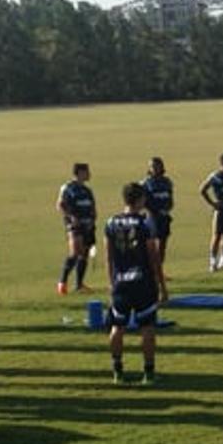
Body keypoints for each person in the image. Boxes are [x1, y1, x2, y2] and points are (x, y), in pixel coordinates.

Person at [106, 182, 168, 384]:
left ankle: (117, 370)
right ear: (140, 199)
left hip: (120, 283)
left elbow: (109, 257)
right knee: (147, 327)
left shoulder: (111, 223)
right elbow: (153, 257)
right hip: (143, 282)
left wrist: (111, 282)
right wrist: (162, 285)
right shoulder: (145, 223)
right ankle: (148, 373)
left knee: (117, 327)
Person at [57, 162, 97, 295]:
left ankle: (79, 284)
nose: (89, 174)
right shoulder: (68, 188)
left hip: (87, 225)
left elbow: (92, 207)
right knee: (75, 253)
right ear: (79, 173)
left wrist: (93, 218)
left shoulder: (87, 190)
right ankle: (62, 282)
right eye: (86, 172)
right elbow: (60, 205)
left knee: (84, 254)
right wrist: (72, 217)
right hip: (75, 226)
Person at [200, 153, 223, 271]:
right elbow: (202, 189)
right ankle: (212, 262)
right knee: (217, 235)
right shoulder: (216, 176)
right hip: (221, 210)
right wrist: (213, 203)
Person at [142, 156, 176, 262]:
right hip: (152, 217)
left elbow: (170, 197)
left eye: (158, 166)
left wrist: (168, 207)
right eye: (153, 166)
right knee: (151, 245)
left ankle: (160, 270)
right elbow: (142, 201)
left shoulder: (167, 181)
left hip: (164, 216)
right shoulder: (146, 183)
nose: (156, 168)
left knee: (162, 245)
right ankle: (152, 270)